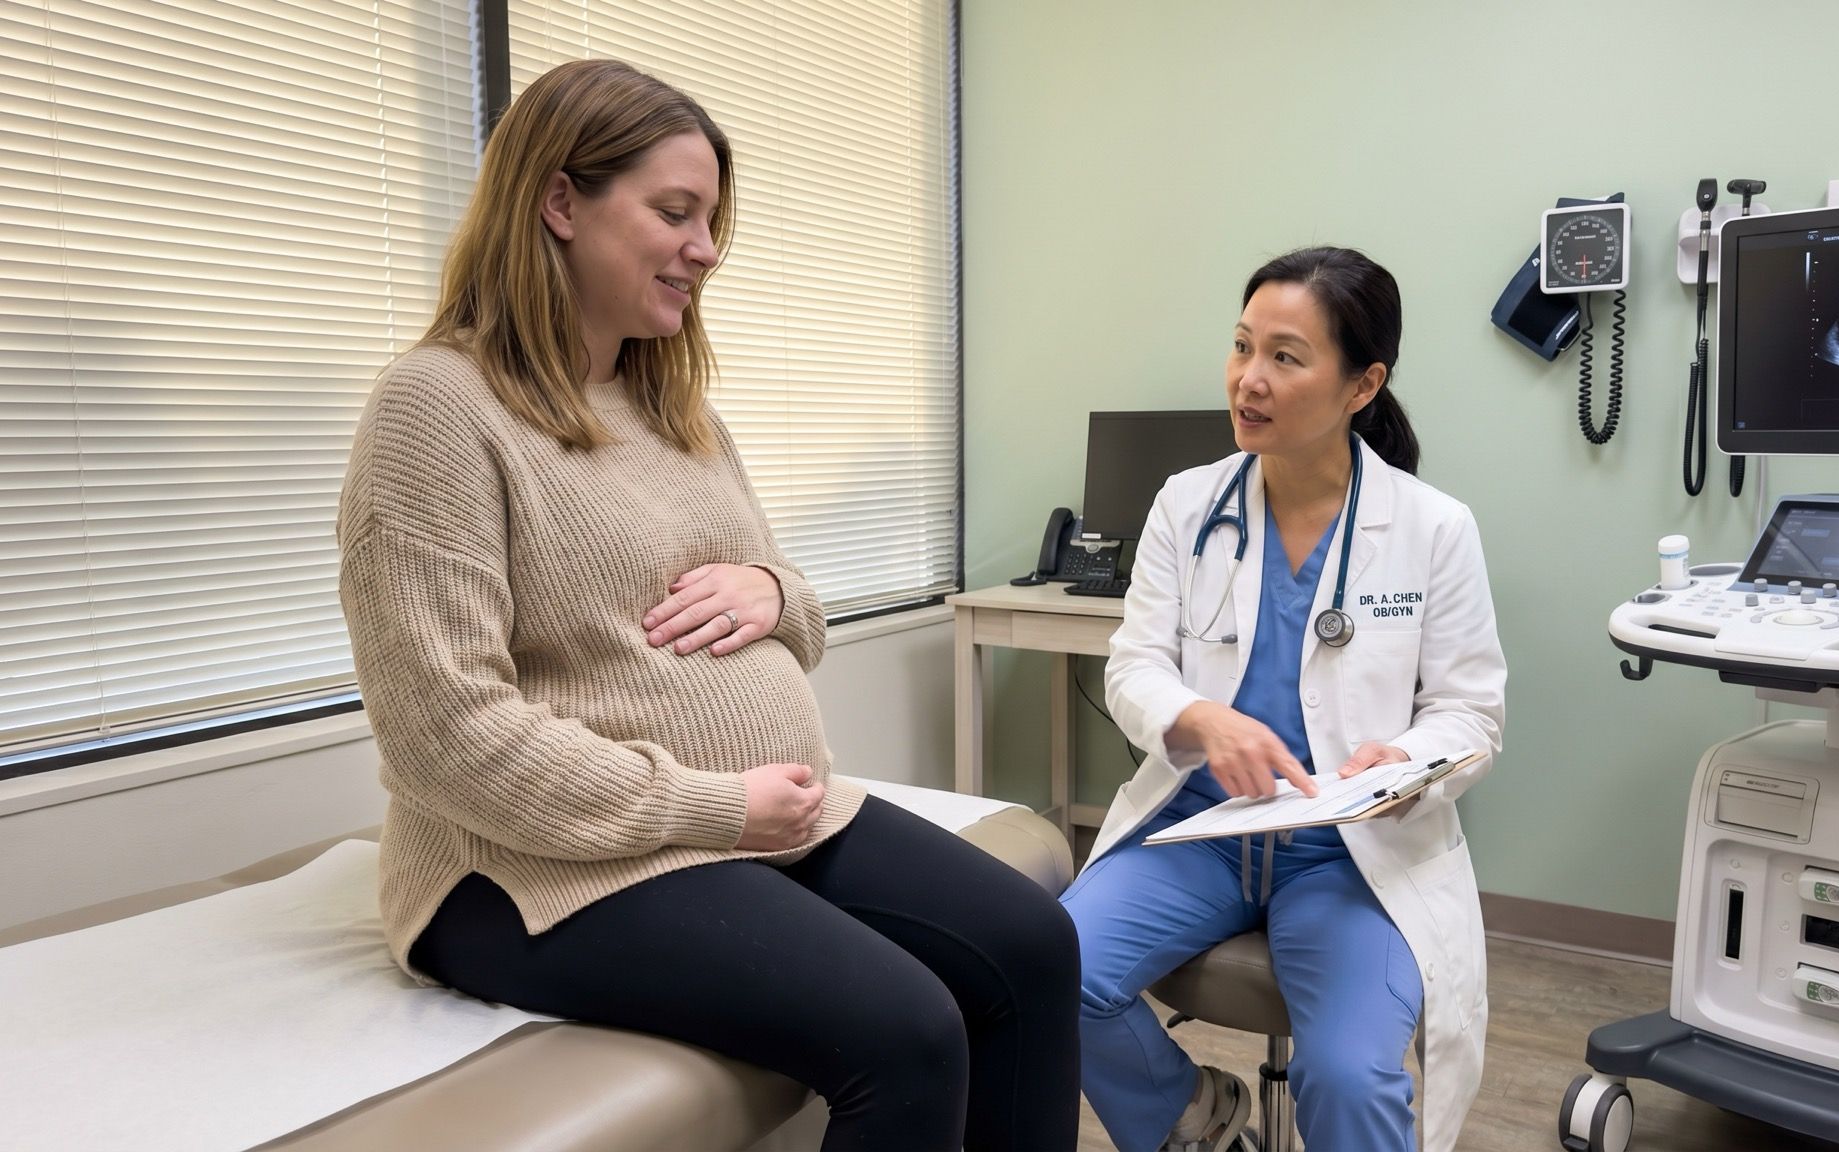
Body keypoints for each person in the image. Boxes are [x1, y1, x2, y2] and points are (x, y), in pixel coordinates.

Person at [335, 58, 1078, 1151]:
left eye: (712, 219)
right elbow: (446, 738)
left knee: (1032, 942)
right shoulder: (436, 410)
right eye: (675, 212)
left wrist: (771, 590)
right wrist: (716, 808)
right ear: (558, 203)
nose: (706, 248)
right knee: (908, 1029)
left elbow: (805, 624)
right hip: (526, 867)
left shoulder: (671, 404)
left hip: (742, 820)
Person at [1060, 247, 1506, 1152]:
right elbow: (1134, 664)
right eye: (1240, 347)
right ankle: (1195, 1119)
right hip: (1204, 834)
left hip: (1349, 851)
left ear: (1361, 385)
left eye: (1286, 357)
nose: (1248, 380)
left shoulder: (1431, 528)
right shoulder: (1187, 507)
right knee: (1048, 975)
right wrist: (1198, 717)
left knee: (1346, 1075)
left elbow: (1470, 713)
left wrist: (1412, 763)